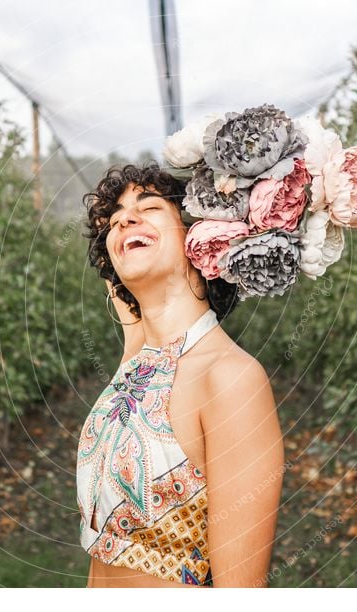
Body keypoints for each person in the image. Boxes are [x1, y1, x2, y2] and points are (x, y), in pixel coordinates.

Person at [77, 162, 284, 587]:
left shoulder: (229, 378)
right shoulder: (137, 359)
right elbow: (117, 260)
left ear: (200, 238)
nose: (123, 220)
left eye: (149, 208)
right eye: (115, 221)